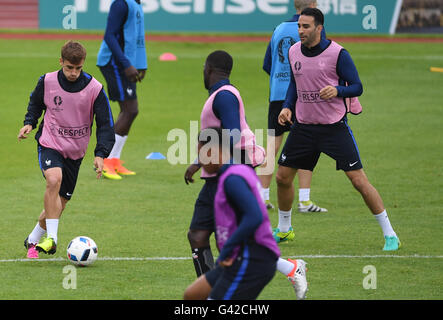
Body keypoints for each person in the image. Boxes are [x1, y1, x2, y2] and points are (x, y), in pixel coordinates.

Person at [184, 52, 307, 299]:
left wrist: (202, 160)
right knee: (203, 234)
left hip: (231, 169)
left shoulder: (225, 96)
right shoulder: (222, 95)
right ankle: (288, 267)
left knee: (212, 234)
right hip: (223, 169)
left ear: (208, 69)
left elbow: (233, 134)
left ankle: (215, 288)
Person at [276, 8, 400, 251]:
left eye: (306, 27)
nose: (300, 30)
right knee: (281, 178)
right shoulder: (293, 51)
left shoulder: (338, 54)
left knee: (358, 181)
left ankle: (390, 234)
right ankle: (284, 230)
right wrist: (287, 107)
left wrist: (338, 90)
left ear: (319, 28)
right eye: (299, 26)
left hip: (334, 129)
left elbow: (357, 86)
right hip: (303, 128)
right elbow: (294, 83)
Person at [184, 127, 307, 300]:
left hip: (251, 259)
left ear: (215, 151)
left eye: (202, 155)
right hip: (238, 257)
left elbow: (254, 216)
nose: (201, 163)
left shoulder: (233, 178)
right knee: (193, 295)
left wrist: (227, 249)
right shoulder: (232, 173)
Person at [18, 41, 115, 258]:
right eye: (69, 67)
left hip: (76, 151)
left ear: (83, 65)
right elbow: (35, 104)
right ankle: (52, 239)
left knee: (59, 204)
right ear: (61, 62)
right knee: (53, 180)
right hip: (50, 142)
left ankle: (33, 240)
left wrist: (101, 154)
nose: (73, 73)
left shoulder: (95, 89)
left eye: (78, 68)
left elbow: (106, 124)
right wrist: (29, 122)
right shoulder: (47, 81)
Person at [259, 0, 327, 243]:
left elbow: (267, 64)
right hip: (303, 94)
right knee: (308, 142)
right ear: (310, 5)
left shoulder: (278, 28)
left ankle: (262, 195)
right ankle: (305, 199)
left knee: (273, 143)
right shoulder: (314, 27)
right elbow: (321, 60)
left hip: (277, 93)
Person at [96, 0, 147, 180]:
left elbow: (138, 37)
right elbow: (109, 36)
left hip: (127, 63)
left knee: (131, 111)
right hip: (115, 63)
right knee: (130, 110)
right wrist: (126, 64)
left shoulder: (137, 4)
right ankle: (107, 160)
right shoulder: (121, 3)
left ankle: (114, 160)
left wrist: (142, 64)